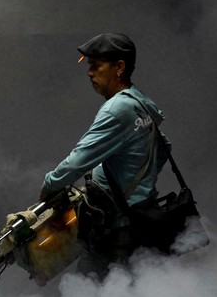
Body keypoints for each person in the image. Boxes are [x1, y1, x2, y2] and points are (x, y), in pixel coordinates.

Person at [40, 32, 167, 268]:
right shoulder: (140, 101)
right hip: (140, 219)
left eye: (96, 66)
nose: (89, 73)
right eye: (89, 66)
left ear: (119, 67)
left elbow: (76, 163)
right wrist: (135, 185)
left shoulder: (117, 109)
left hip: (117, 232)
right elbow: (162, 148)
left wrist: (48, 188)